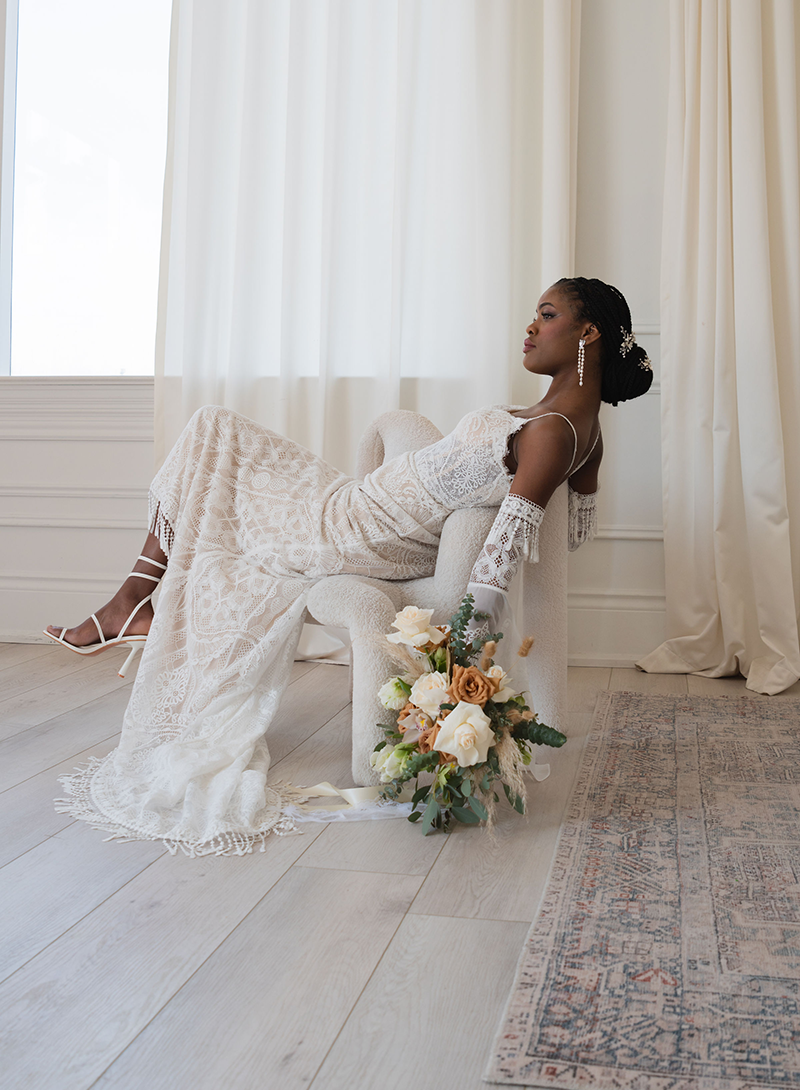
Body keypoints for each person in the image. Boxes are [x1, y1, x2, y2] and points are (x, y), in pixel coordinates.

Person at [47, 276, 652, 854]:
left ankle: (129, 603)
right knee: (214, 436)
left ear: (588, 333)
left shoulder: (552, 431)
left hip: (359, 531)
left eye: (547, 316)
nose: (530, 326)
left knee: (212, 433)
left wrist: (469, 651)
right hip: (360, 502)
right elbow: (576, 531)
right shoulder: (581, 431)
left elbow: (510, 548)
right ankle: (133, 603)